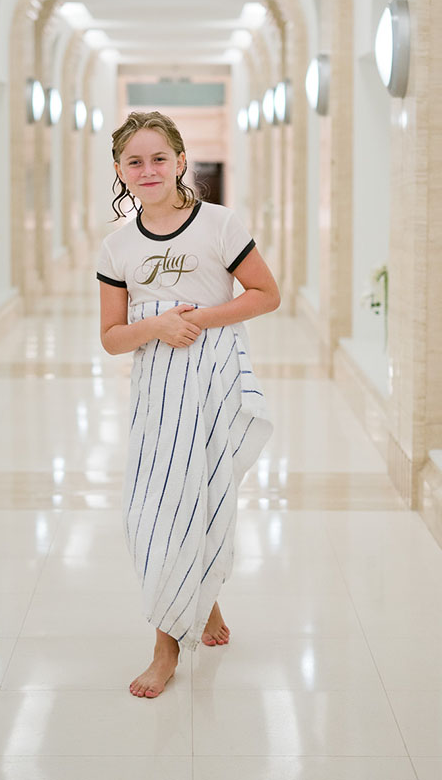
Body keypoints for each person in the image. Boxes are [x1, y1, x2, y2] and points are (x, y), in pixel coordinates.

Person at [96, 110, 280, 699]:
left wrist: (193, 319)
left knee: (201, 493)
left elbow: (265, 294)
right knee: (153, 512)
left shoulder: (219, 225)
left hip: (216, 376)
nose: (147, 170)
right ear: (121, 171)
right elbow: (111, 336)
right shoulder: (117, 246)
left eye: (158, 158)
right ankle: (192, 613)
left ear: (180, 162)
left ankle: (169, 642)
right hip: (157, 388)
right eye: (134, 161)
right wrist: (156, 328)